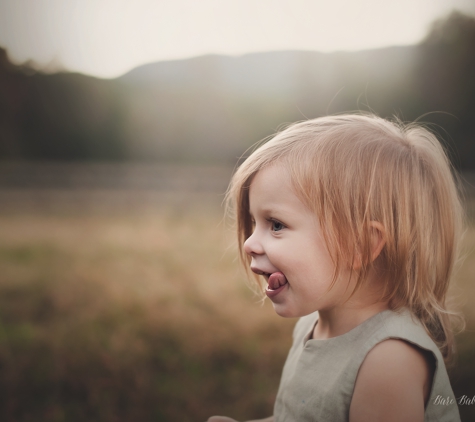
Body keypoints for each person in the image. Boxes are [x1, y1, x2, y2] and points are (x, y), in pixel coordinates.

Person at [207, 114, 463, 422]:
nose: (249, 243)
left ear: (360, 246)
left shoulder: (388, 361)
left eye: (275, 224)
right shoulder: (313, 324)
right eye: (253, 222)